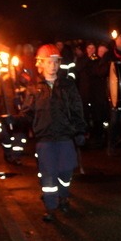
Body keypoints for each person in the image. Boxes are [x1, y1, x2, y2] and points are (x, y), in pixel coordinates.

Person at [15, 44, 87, 222]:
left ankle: (63, 196)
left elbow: (77, 109)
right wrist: (16, 120)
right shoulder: (34, 88)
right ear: (41, 64)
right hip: (45, 139)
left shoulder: (68, 86)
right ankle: (51, 207)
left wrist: (80, 130)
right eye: (49, 62)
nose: (53, 66)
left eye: (55, 62)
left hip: (65, 137)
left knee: (65, 172)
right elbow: (28, 113)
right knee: (48, 174)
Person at [104, 32, 121, 157]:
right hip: (115, 94)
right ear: (116, 40)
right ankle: (111, 146)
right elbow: (101, 71)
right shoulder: (109, 54)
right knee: (114, 121)